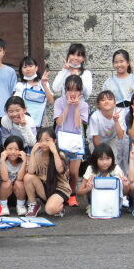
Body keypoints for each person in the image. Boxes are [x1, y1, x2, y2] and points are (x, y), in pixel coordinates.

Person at [53, 75, 89, 207]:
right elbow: (59, 122)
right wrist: (68, 106)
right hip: (61, 139)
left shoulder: (84, 105)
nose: (73, 93)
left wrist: (77, 107)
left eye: (76, 90)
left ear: (81, 91)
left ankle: (72, 195)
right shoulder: (59, 102)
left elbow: (78, 124)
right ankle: (61, 194)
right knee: (61, 170)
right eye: (69, 89)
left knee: (74, 172)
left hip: (76, 141)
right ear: (65, 89)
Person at [23, 128, 71, 218]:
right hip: (45, 188)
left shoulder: (60, 154)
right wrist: (32, 152)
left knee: (50, 210)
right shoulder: (37, 154)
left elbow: (60, 170)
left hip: (59, 188)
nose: (44, 143)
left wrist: (54, 152)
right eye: (40, 140)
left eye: (47, 140)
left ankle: (60, 206)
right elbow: (31, 171)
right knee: (28, 177)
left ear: (54, 141)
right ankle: (33, 205)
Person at [76, 143, 128, 215]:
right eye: (101, 159)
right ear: (95, 159)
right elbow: (79, 192)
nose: (105, 162)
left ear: (112, 159)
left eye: (108, 158)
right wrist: (88, 188)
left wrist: (125, 185)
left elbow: (124, 193)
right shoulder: (91, 169)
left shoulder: (116, 169)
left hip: (112, 203)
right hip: (96, 203)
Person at [13, 56, 54, 128]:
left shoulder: (43, 83)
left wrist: (44, 85)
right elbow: (15, 104)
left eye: (30, 66)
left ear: (36, 68)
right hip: (24, 123)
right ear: (21, 70)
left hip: (41, 124)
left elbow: (51, 101)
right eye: (25, 67)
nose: (28, 69)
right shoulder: (20, 86)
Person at [87, 90, 126, 163]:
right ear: (98, 105)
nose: (106, 101)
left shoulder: (119, 113)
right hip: (96, 141)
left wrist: (116, 121)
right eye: (103, 100)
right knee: (100, 161)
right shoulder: (95, 116)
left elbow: (120, 136)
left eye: (110, 99)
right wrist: (101, 154)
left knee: (113, 161)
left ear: (115, 103)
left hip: (112, 140)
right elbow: (95, 138)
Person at [0, 135, 28, 216]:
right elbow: (4, 178)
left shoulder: (23, 161)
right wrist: (2, 160)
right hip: (4, 193)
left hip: (19, 194)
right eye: (10, 149)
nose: (13, 152)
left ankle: (20, 206)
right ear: (5, 149)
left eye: (16, 149)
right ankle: (3, 206)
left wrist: (25, 161)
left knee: (19, 183)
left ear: (21, 151)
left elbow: (20, 178)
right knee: (6, 182)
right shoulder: (1, 161)